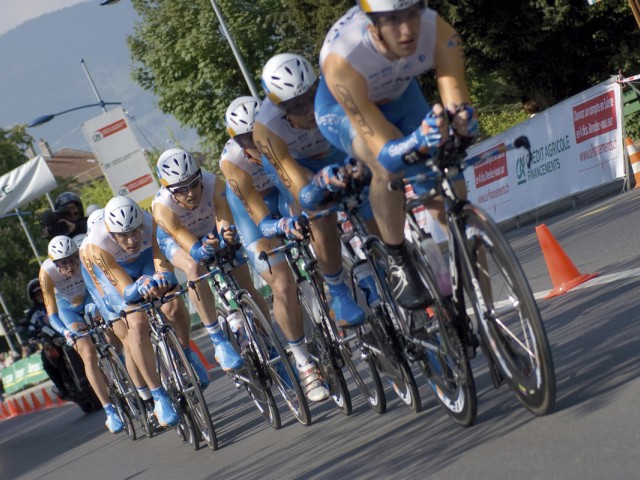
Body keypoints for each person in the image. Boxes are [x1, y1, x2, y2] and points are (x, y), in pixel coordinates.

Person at [315, 0, 478, 309]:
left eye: (411, 14)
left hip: (402, 97)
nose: (406, 30)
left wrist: (461, 121)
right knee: (384, 166)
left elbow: (458, 103)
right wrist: (419, 139)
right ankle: (396, 255)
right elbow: (387, 153)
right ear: (372, 24)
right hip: (342, 110)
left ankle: (487, 322)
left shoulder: (436, 27)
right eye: (392, 20)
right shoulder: (342, 58)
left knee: (457, 213)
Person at [221, 96, 329, 401]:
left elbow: (298, 186)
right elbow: (260, 217)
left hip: (283, 192)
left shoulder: (280, 134)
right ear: (238, 142)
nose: (254, 143)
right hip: (253, 213)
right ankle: (304, 363)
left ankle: (332, 289)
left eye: (256, 133)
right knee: (281, 282)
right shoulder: (233, 164)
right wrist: (279, 227)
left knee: (318, 226)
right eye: (246, 139)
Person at [253, 52, 365, 329]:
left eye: (310, 98)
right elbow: (303, 193)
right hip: (299, 168)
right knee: (319, 210)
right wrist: (321, 182)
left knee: (373, 187)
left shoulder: (334, 88)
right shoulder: (265, 128)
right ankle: (337, 291)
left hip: (334, 149)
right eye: (295, 107)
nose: (307, 110)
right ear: (281, 109)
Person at [152, 147, 274, 373]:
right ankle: (218, 339)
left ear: (200, 176)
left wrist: (226, 236)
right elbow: (191, 247)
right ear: (169, 190)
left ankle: (269, 339)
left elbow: (224, 222)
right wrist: (203, 249)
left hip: (211, 230)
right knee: (193, 267)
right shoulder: (161, 208)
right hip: (179, 241)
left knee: (246, 286)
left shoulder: (213, 183)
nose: (190, 193)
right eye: (181, 189)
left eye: (193, 183)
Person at [81, 195, 190, 427]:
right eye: (123, 235)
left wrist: (162, 278)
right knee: (134, 327)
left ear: (141, 225)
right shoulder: (95, 245)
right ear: (111, 234)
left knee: (172, 300)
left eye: (135, 232)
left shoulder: (150, 223)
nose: (131, 240)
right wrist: (137, 288)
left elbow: (163, 267)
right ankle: (154, 396)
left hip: (141, 262)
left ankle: (185, 357)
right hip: (108, 277)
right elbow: (124, 292)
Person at [39, 235, 124, 433]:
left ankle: (122, 365)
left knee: (111, 329)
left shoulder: (84, 257)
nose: (69, 266)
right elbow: (52, 314)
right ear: (54, 263)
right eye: (63, 263)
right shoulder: (47, 273)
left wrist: (105, 309)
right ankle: (109, 409)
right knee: (87, 352)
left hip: (89, 299)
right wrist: (66, 332)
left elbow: (100, 287)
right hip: (67, 309)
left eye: (72, 259)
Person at [23, 278, 70, 399]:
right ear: (33, 297)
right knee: (46, 363)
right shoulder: (33, 313)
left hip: (68, 334)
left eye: (41, 292)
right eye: (36, 294)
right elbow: (31, 331)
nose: (40, 296)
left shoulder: (58, 301)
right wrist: (34, 337)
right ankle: (62, 389)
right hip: (51, 341)